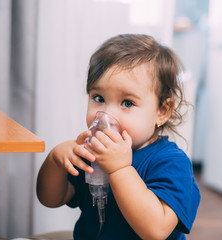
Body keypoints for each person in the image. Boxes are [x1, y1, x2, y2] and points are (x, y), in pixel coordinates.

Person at [36, 34, 200, 240]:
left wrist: (120, 169)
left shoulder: (171, 162)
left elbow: (156, 230)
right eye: (99, 98)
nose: (108, 115)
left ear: (162, 111)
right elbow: (51, 199)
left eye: (128, 103)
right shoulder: (91, 152)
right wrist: (55, 160)